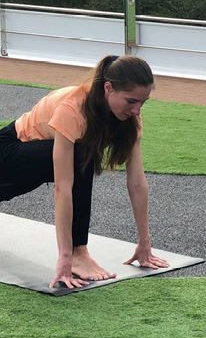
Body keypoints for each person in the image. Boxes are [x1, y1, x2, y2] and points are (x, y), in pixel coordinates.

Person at [0, 54, 168, 289]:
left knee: (81, 156)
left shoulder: (129, 119)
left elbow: (137, 183)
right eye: (131, 101)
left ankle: (80, 252)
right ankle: (80, 254)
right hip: (8, 149)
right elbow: (63, 188)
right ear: (108, 88)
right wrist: (66, 259)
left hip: (31, 162)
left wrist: (145, 244)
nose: (137, 110)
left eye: (143, 102)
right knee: (81, 156)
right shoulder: (73, 108)